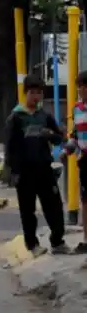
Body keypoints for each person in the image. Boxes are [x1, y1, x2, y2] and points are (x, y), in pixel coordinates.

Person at [5, 74, 69, 256]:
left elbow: (59, 139)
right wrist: (13, 171)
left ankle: (57, 241)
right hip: (24, 172)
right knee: (28, 211)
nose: (36, 97)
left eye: (39, 93)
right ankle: (32, 245)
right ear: (26, 93)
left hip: (44, 169)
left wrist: (50, 135)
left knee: (54, 207)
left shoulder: (44, 117)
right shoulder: (16, 118)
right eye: (32, 93)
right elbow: (10, 148)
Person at [64, 71, 87, 254]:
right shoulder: (77, 109)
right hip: (84, 161)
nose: (81, 90)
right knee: (85, 201)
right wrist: (67, 150)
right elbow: (74, 136)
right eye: (79, 86)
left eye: (83, 86)